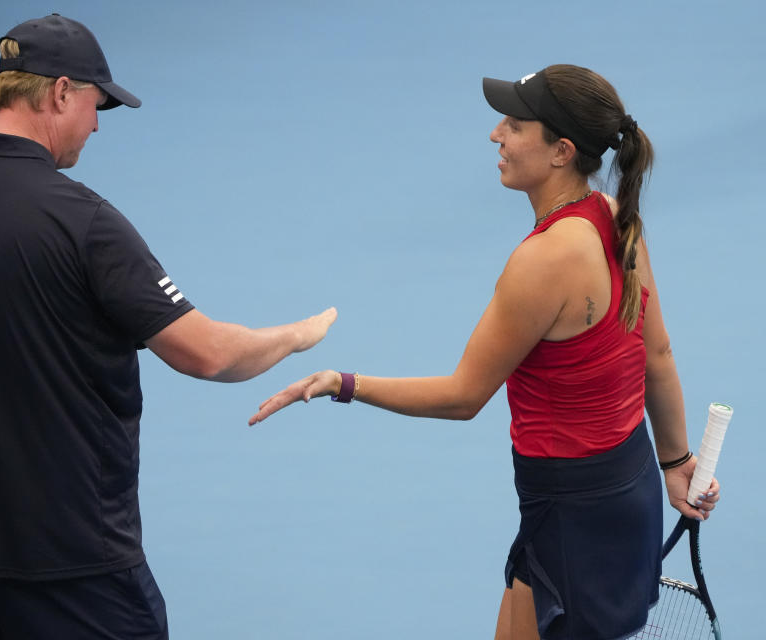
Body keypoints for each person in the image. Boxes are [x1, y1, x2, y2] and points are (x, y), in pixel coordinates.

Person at [0, 13, 335, 640]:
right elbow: (207, 353)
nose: (96, 124)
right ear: (62, 91)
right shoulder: (83, 221)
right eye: (98, 105)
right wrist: (296, 335)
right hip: (68, 558)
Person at [248, 64, 720, 639]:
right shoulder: (618, 220)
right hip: (626, 483)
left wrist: (341, 384)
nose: (496, 134)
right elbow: (659, 354)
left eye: (516, 124)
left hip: (573, 512)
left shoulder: (544, 261)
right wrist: (675, 463)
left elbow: (463, 396)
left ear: (561, 152)